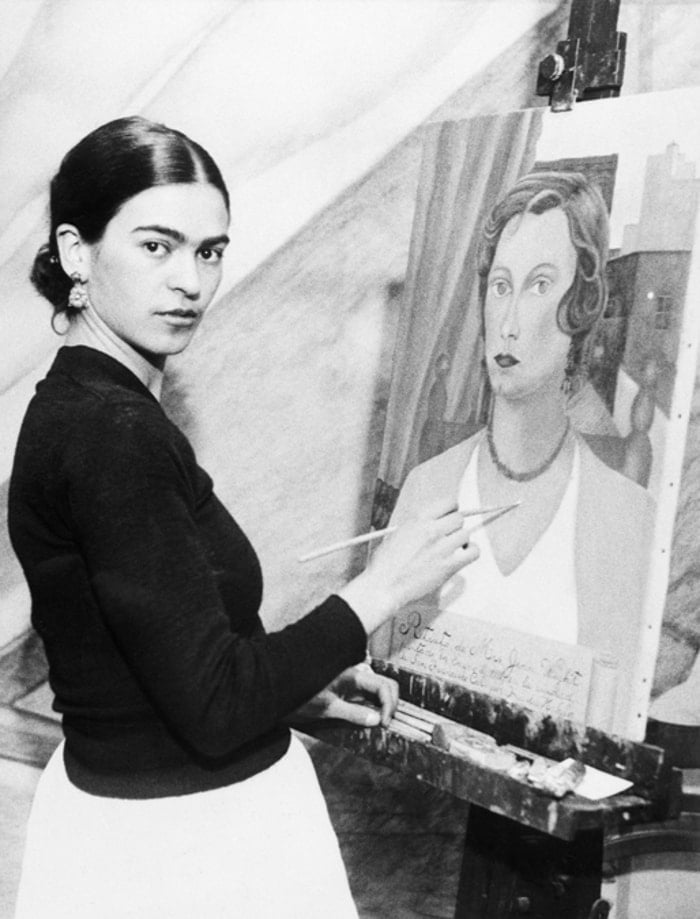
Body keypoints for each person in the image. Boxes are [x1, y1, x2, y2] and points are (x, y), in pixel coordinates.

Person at [7, 116, 479, 918]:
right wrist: (382, 587)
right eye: (157, 246)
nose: (190, 281)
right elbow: (217, 706)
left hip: (135, 825)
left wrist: (291, 687)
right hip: (188, 845)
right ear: (77, 252)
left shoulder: (82, 405)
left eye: (210, 251)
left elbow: (154, 665)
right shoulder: (113, 433)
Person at [381, 171, 654, 733]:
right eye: (501, 286)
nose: (507, 324)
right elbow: (379, 687)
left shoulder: (628, 518)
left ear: (582, 306)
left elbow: (612, 729)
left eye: (539, 285)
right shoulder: (427, 488)